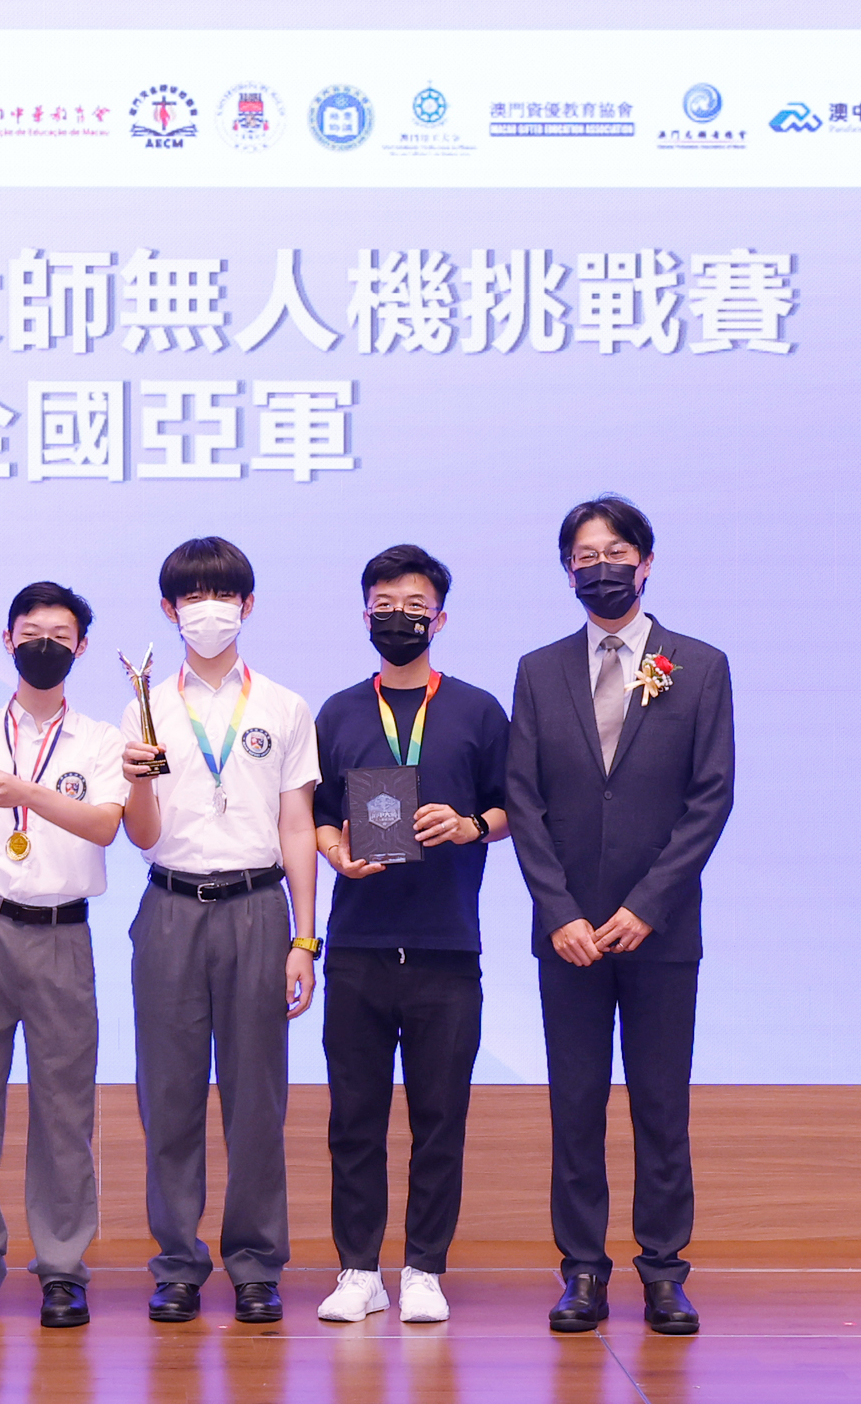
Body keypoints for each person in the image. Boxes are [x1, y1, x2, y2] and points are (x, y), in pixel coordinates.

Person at [505, 496, 734, 1337]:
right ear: (567, 570)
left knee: (660, 1106)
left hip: (660, 933)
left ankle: (664, 1272)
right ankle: (582, 1271)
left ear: (645, 563)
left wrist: (647, 905)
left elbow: (711, 799)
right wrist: (558, 911)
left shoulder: (698, 666)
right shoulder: (539, 670)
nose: (599, 567)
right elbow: (523, 802)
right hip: (567, 936)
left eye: (614, 552)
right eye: (583, 555)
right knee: (575, 1106)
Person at [306, 544, 511, 1327]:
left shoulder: (478, 711)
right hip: (358, 949)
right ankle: (358, 1270)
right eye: (384, 606)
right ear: (364, 616)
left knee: (439, 1120)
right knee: (353, 1122)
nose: (399, 618)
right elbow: (320, 814)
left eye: (414, 606)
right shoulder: (337, 712)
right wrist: (335, 852)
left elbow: (513, 809)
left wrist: (469, 825)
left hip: (447, 950)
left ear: (441, 618)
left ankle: (424, 1268)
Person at [120, 536, 321, 1326]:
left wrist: (305, 939)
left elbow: (296, 826)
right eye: (193, 597)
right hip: (169, 906)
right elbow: (140, 834)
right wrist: (138, 781)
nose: (209, 609)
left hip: (257, 908)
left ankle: (256, 1265)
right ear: (169, 610)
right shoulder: (145, 706)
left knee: (256, 1099)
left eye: (224, 595)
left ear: (248, 605)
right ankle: (177, 1264)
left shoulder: (282, 706)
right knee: (168, 1097)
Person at [0, 581, 131, 1330]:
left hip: (63, 934)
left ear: (81, 647)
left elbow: (106, 827)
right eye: (31, 631)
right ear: (7, 640)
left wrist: (23, 791)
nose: (45, 644)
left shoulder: (101, 739)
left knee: (65, 1108)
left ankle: (63, 1268)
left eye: (60, 635)